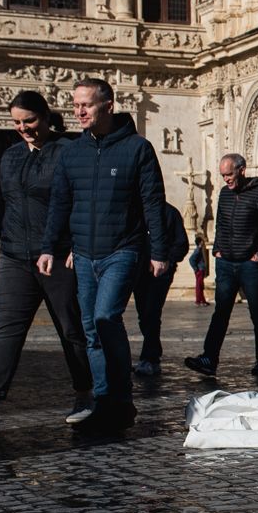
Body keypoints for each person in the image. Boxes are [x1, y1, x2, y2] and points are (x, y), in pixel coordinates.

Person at [0, 92, 94, 435]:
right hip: (15, 255)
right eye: (17, 123)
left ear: (46, 117)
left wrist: (75, 246)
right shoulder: (11, 156)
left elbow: (81, 202)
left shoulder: (69, 151)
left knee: (71, 328)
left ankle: (86, 394)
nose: (23, 129)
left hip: (59, 255)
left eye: (29, 121)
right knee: (6, 328)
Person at [39, 77, 169, 432]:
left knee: (105, 318)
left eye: (87, 104)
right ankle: (104, 400)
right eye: (76, 104)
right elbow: (60, 203)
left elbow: (152, 203)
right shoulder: (72, 152)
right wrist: (51, 246)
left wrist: (158, 251)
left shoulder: (137, 149)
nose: (79, 111)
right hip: (82, 253)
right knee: (90, 329)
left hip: (122, 250)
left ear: (108, 105)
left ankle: (122, 400)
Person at [184, 153, 258, 379]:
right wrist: (218, 249)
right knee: (221, 312)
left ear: (242, 170)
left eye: (229, 174)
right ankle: (209, 358)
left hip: (250, 264)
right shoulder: (224, 194)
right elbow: (221, 224)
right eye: (223, 175)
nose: (226, 179)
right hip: (226, 263)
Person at [131, 201, 188, 378]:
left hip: (160, 274)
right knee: (144, 315)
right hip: (138, 272)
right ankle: (153, 351)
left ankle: (150, 357)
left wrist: (167, 260)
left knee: (152, 313)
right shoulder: (136, 210)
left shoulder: (170, 213)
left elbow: (182, 244)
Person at [189, 237, 209, 306]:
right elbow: (191, 259)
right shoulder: (197, 250)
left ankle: (201, 301)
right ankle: (200, 301)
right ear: (200, 242)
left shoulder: (200, 250)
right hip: (199, 271)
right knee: (199, 286)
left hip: (201, 270)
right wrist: (196, 269)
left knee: (200, 286)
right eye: (202, 241)